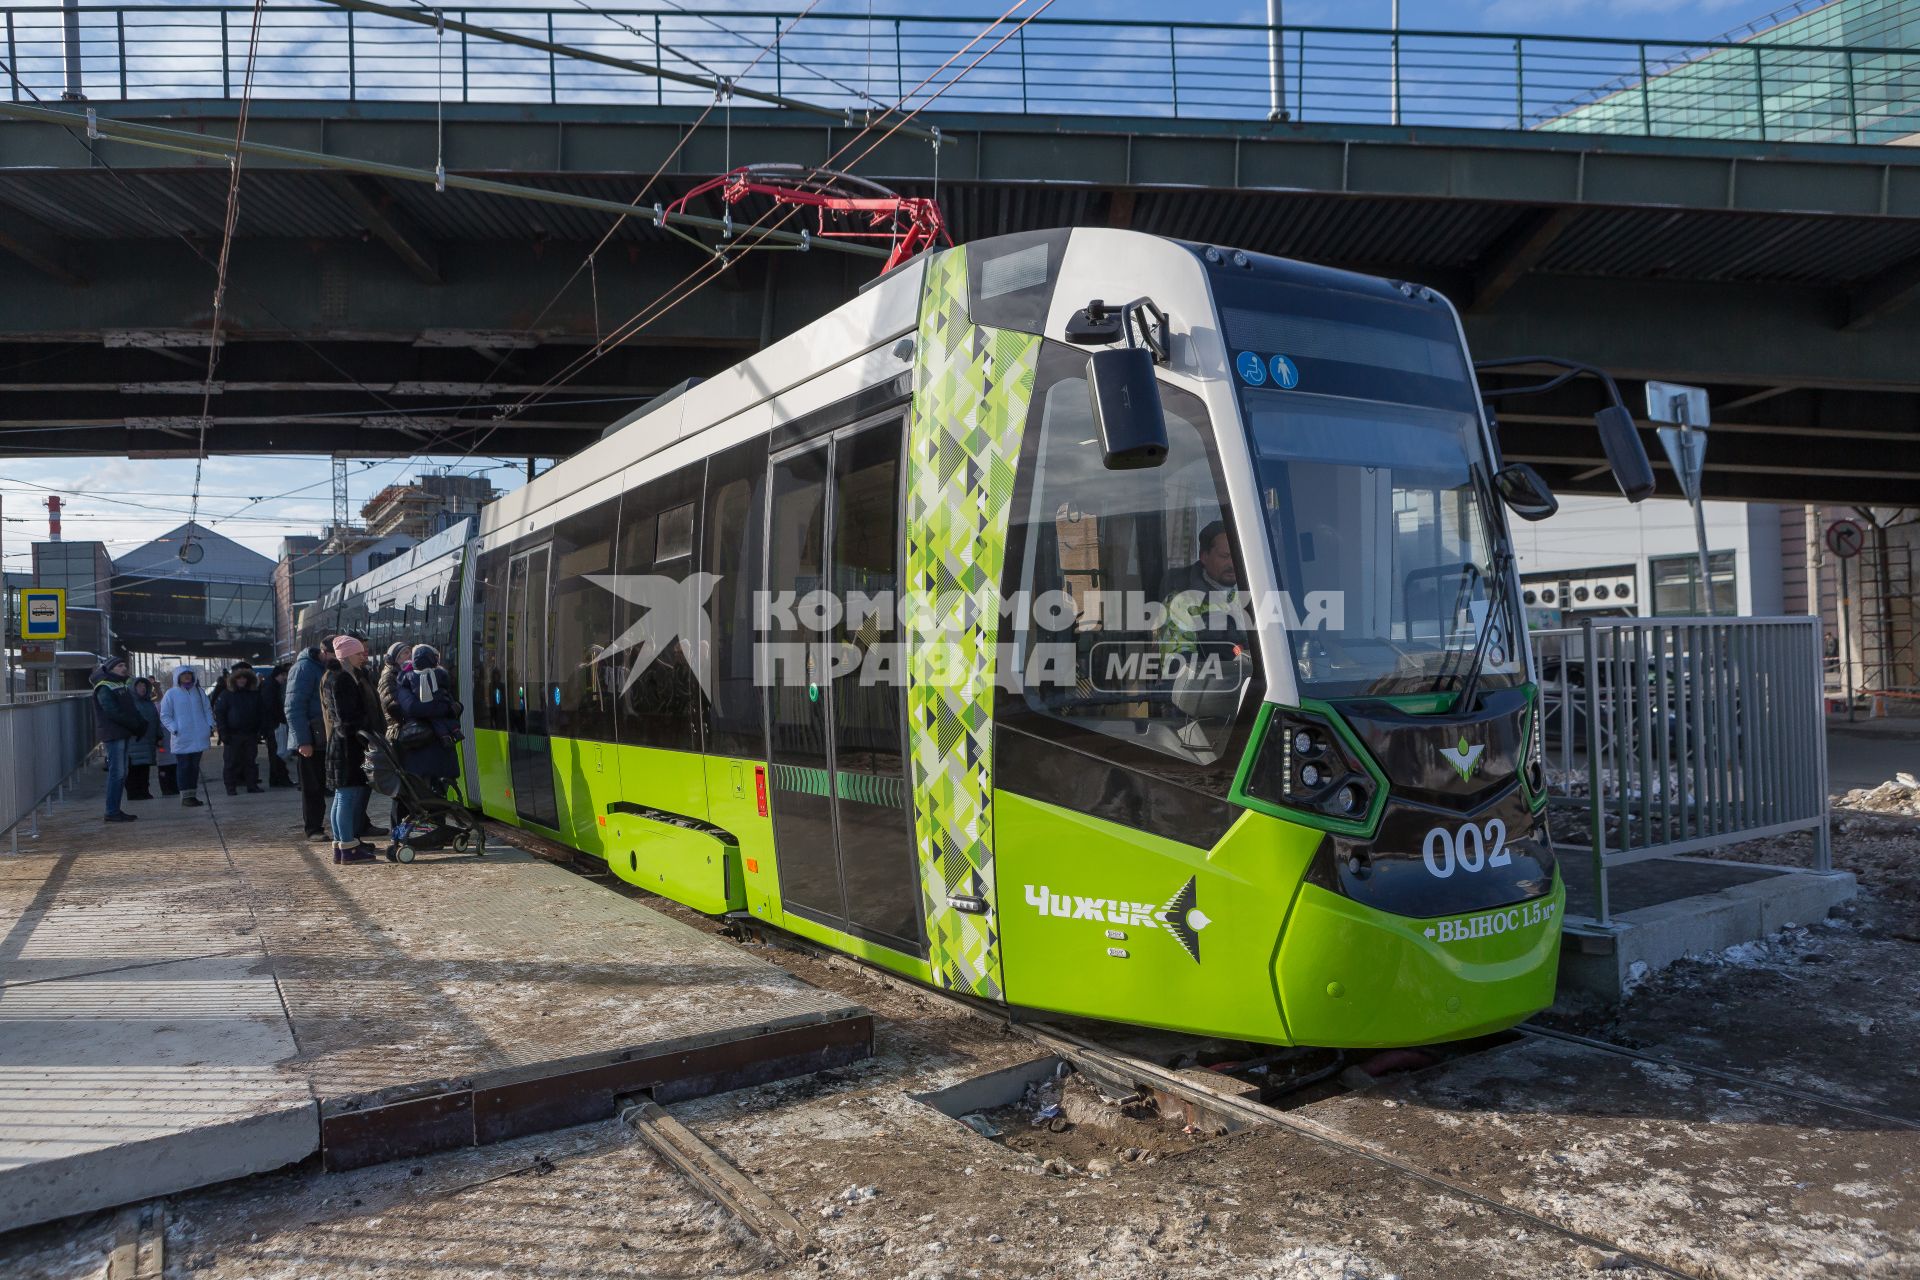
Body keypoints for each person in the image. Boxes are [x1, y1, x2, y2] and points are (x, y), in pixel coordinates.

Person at [320, 634, 385, 863]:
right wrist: (366, 730)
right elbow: (348, 718)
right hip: (349, 747)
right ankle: (347, 846)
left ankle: (342, 844)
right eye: (359, 653)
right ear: (347, 655)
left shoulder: (338, 676)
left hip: (342, 746)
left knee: (341, 796)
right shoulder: (343, 679)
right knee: (347, 796)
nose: (363, 656)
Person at [393, 643, 462, 811]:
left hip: (439, 747)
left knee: (439, 791)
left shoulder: (440, 678)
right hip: (421, 744)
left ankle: (437, 827)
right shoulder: (406, 682)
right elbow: (413, 708)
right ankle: (428, 826)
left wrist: (447, 708)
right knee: (424, 790)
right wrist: (443, 709)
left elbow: (452, 704)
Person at [286, 639, 332, 841]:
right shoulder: (303, 669)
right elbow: (293, 707)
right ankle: (313, 828)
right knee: (313, 785)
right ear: (324, 652)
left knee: (325, 784)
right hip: (312, 738)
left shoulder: (323, 667)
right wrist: (302, 741)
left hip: (326, 735)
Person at [89, 655, 144, 823]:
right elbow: (112, 711)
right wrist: (134, 724)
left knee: (121, 772)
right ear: (111, 669)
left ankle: (114, 809)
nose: (124, 668)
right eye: (120, 666)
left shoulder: (119, 684)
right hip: (114, 733)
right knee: (117, 772)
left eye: (124, 665)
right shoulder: (104, 687)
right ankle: (112, 810)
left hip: (121, 732)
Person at [159, 664, 213, 807]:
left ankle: (192, 795)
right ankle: (185, 796)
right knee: (184, 766)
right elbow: (165, 715)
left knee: (194, 767)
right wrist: (174, 729)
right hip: (182, 736)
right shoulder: (171, 694)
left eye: (189, 674)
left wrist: (209, 726)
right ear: (178, 677)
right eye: (184, 674)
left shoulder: (199, 692)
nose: (187, 676)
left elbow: (208, 710)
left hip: (199, 735)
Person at [215, 664, 267, 795]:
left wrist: (260, 730)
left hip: (250, 733)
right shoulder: (227, 695)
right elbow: (220, 714)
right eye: (239, 678)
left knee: (250, 761)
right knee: (231, 762)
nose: (242, 681)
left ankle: (252, 785)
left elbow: (261, 713)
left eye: (244, 678)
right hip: (232, 734)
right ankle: (230, 787)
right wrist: (223, 732)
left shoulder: (254, 695)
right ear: (234, 680)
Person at [125, 675, 163, 801]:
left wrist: (159, 736)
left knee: (144, 767)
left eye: (144, 686)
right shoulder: (129, 704)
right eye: (139, 686)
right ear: (133, 688)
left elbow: (156, 721)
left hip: (148, 741)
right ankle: (134, 792)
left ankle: (144, 791)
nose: (142, 688)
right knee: (133, 768)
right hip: (134, 742)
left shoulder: (148, 703)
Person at [265, 662, 294, 788]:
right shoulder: (272, 687)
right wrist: (281, 719)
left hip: (272, 724)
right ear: (280, 675)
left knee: (275, 752)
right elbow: (272, 707)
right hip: (275, 725)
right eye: (284, 675)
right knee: (278, 752)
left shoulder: (269, 685)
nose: (285, 678)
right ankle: (281, 778)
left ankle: (275, 779)